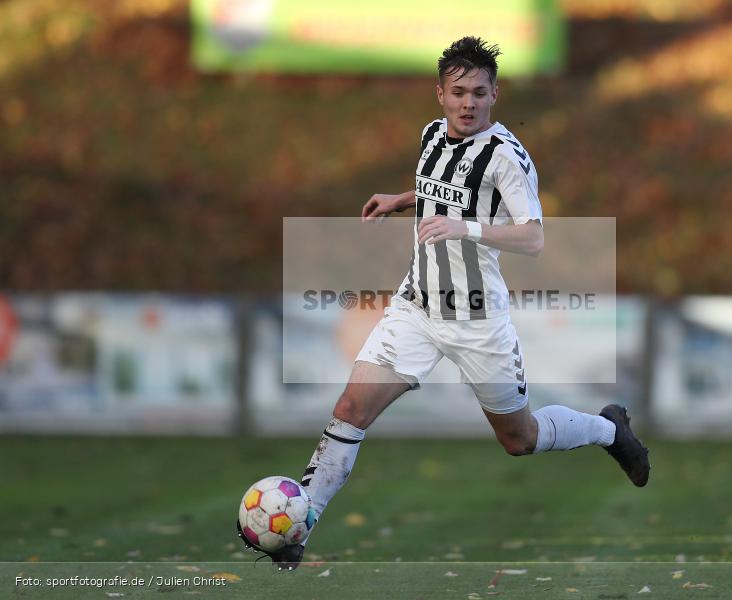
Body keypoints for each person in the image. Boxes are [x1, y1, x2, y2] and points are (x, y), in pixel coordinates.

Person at [239, 36, 650, 570]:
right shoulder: (432, 134)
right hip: (415, 306)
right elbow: (441, 187)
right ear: (440, 94)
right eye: (458, 92)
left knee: (519, 439)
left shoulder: (506, 157)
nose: (468, 103)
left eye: (479, 92)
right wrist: (401, 199)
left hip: (477, 319)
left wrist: (466, 228)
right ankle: (300, 527)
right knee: (350, 410)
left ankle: (609, 429)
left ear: (494, 94)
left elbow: (533, 237)